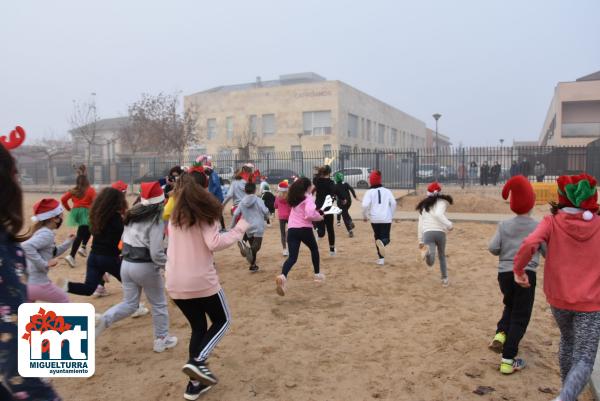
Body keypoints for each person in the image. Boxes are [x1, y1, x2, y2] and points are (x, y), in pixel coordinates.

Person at [514, 174, 600, 401]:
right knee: (584, 357)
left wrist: (519, 269)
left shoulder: (551, 221)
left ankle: (566, 391)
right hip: (591, 303)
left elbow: (530, 243)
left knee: (568, 341)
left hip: (559, 299)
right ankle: (565, 398)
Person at [165, 173, 250, 399]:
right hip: (201, 281)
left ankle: (195, 384)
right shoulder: (205, 212)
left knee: (199, 328)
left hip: (175, 282)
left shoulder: (175, 215)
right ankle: (198, 362)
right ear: (205, 188)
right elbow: (215, 242)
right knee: (223, 320)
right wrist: (239, 229)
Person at [0, 128, 62, 400]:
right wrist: (42, 264)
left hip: (30, 288)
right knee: (67, 311)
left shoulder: (40, 235)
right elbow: (16, 370)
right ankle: (53, 361)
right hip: (39, 285)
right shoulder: (12, 247)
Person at [96, 182, 178, 353]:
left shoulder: (132, 214)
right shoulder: (156, 219)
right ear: (160, 201)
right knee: (158, 304)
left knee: (130, 303)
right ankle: (161, 339)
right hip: (145, 266)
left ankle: (105, 319)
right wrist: (170, 264)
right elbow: (156, 253)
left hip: (126, 265)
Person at [488, 176, 544, 374]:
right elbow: (547, 251)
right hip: (526, 275)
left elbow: (493, 248)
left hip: (504, 275)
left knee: (510, 305)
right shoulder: (538, 225)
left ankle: (501, 334)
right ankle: (508, 360)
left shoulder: (504, 225)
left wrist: (506, 250)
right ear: (532, 201)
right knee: (521, 316)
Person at [61, 187, 126, 296]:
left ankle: (65, 285)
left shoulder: (96, 216)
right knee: (129, 283)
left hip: (94, 257)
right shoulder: (116, 219)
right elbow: (122, 239)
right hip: (109, 258)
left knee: (89, 288)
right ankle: (135, 307)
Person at [275, 177, 328, 296]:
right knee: (314, 249)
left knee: (292, 258)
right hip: (304, 229)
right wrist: (319, 217)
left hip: (292, 229)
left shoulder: (294, 197)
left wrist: (316, 213)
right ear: (307, 187)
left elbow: (306, 211)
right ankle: (317, 275)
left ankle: (282, 276)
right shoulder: (308, 198)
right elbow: (309, 214)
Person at [22, 198, 74, 303]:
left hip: (28, 284)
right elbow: (26, 246)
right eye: (61, 215)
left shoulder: (42, 232)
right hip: (38, 283)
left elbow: (52, 253)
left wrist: (68, 242)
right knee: (65, 301)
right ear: (54, 218)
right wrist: (44, 264)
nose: (62, 218)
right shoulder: (46, 234)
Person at [417, 182, 453, 286]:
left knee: (430, 262)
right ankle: (445, 279)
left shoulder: (423, 205)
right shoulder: (442, 202)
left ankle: (428, 252)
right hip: (440, 233)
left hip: (427, 232)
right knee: (442, 256)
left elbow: (420, 224)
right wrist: (449, 225)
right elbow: (438, 214)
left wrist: (420, 240)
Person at [231, 182, 269, 272]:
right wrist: (267, 217)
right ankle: (248, 251)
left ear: (245, 191)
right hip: (258, 225)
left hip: (248, 226)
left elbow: (235, 214)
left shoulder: (242, 202)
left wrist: (232, 226)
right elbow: (265, 211)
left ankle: (253, 265)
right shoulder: (259, 200)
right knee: (256, 247)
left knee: (252, 247)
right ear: (255, 190)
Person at [362, 170, 397, 265]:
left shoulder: (369, 192)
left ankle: (381, 259)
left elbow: (365, 205)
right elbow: (394, 203)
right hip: (386, 218)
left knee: (377, 238)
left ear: (371, 181)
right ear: (380, 180)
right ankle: (383, 243)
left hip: (374, 219)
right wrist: (391, 214)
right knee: (386, 238)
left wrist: (365, 216)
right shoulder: (387, 191)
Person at [61, 173, 96, 267]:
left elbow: (63, 199)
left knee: (88, 228)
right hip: (87, 212)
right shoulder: (90, 190)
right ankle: (71, 255)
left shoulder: (74, 191)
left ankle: (83, 247)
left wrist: (69, 209)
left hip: (77, 212)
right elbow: (96, 201)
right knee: (82, 232)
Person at [313, 165, 337, 255]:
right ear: (329, 173)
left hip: (318, 208)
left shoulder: (317, 181)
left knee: (321, 230)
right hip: (328, 208)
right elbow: (333, 194)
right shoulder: (331, 183)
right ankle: (332, 250)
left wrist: (320, 172)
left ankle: (318, 234)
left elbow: (315, 178)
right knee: (330, 229)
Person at [334, 171, 357, 237]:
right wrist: (355, 196)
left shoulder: (335, 186)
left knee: (344, 216)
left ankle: (350, 230)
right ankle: (350, 221)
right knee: (345, 212)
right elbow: (351, 189)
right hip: (349, 202)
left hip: (341, 202)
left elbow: (334, 196)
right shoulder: (346, 184)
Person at [275, 180, 291, 256]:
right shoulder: (289, 196)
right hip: (289, 215)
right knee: (291, 230)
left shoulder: (277, 197)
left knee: (282, 233)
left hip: (281, 216)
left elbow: (275, 206)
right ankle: (288, 237)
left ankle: (284, 249)